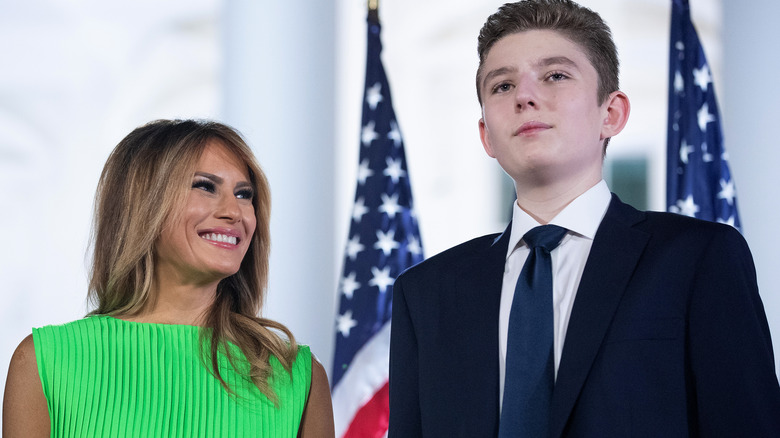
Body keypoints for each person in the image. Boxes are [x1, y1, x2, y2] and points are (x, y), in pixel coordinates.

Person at [388, 1, 780, 437]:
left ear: (610, 114)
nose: (524, 96)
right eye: (502, 86)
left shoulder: (697, 258)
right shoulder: (424, 293)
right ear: (486, 135)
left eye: (556, 75)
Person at [3, 119, 335, 437]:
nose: (234, 212)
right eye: (205, 186)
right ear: (143, 204)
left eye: (244, 194)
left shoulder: (297, 376)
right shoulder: (45, 362)